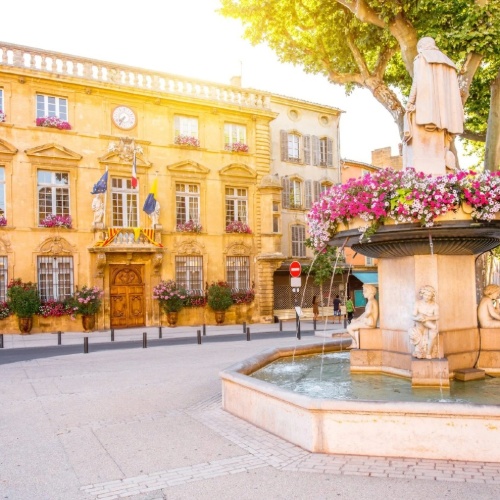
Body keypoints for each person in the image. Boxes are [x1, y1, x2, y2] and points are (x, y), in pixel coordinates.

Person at [403, 37, 464, 175]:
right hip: (445, 116)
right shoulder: (448, 63)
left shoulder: (421, 58)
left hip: (426, 112)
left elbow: (417, 82)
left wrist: (410, 102)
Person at [408, 285, 439, 359]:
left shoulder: (435, 305)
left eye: (429, 296)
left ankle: (429, 353)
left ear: (432, 296)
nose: (427, 297)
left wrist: (427, 318)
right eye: (426, 295)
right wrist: (418, 318)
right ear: (422, 294)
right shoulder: (417, 303)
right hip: (420, 323)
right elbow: (412, 316)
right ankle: (420, 351)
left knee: (433, 332)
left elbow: (437, 316)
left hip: (429, 323)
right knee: (419, 329)